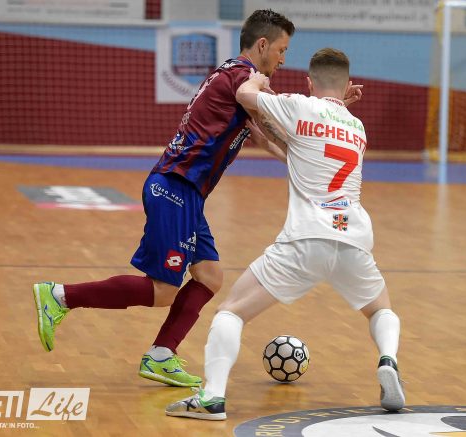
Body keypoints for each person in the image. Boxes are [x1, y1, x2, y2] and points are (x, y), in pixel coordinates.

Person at [31, 9, 296, 387]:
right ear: (263, 44)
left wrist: (295, 153)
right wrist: (321, 117)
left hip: (188, 193)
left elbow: (264, 131)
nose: (283, 59)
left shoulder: (233, 76)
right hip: (175, 187)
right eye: (282, 50)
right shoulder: (243, 77)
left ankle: (160, 355)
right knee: (163, 291)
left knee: (209, 276)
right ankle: (59, 296)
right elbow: (261, 106)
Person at [165, 48, 404, 421]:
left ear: (308, 83)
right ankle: (388, 359)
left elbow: (245, 95)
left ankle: (211, 398)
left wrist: (258, 80)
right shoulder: (357, 128)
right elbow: (307, 151)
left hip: (305, 240)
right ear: (346, 85)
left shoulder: (299, 106)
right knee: (380, 309)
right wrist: (272, 139)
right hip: (353, 238)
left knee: (231, 312)